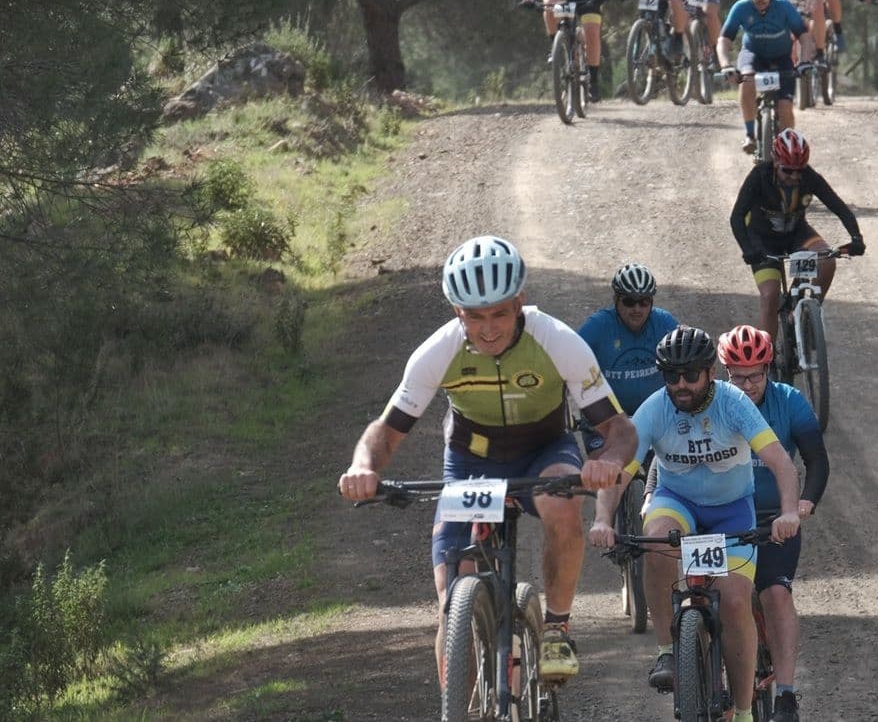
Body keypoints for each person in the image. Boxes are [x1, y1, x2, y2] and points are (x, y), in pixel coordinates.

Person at [337, 235, 637, 684]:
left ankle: (556, 626)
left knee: (562, 500)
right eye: (474, 317)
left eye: (500, 313)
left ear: (521, 301)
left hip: (543, 453)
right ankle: (458, 697)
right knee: (451, 602)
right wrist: (365, 466)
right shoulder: (438, 351)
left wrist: (608, 460)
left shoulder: (557, 341)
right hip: (471, 461)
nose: (489, 328)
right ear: (457, 312)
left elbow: (620, 430)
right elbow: (386, 431)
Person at [589, 326, 802, 722]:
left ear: (709, 373)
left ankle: (742, 712)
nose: (681, 384)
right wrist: (603, 518)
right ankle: (667, 651)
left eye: (690, 375)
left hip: (731, 508)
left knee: (736, 600)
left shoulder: (734, 402)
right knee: (655, 542)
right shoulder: (655, 408)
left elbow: (780, 462)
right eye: (672, 376)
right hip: (678, 501)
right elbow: (619, 471)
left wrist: (788, 511)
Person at [717, 325, 829, 722]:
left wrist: (803, 503)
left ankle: (786, 694)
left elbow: (817, 460)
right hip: (722, 518)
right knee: (712, 597)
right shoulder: (714, 403)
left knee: (776, 595)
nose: (747, 385)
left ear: (768, 369)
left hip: (772, 520)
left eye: (755, 375)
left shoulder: (789, 401)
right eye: (737, 376)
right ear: (724, 372)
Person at [729, 129, 865, 338]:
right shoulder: (760, 176)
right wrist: (748, 249)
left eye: (799, 171)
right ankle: (768, 361)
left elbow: (839, 207)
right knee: (770, 295)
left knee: (827, 260)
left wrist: (856, 238)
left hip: (796, 233)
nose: (794, 176)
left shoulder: (809, 177)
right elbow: (737, 217)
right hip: (762, 239)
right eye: (787, 170)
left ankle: (805, 313)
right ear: (775, 162)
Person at [716, 0, 817, 153]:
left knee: (785, 107)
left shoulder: (784, 6)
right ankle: (750, 135)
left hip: (781, 58)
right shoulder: (741, 7)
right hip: (752, 54)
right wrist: (725, 65)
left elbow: (803, 36)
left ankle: (786, 145)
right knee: (746, 81)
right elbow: (724, 40)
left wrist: (804, 62)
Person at [576, 263, 682, 426]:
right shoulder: (597, 327)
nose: (637, 309)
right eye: (629, 301)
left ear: (651, 302)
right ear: (616, 300)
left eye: (644, 302)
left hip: (656, 419)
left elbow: (689, 363)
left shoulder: (665, 323)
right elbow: (568, 366)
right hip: (607, 421)